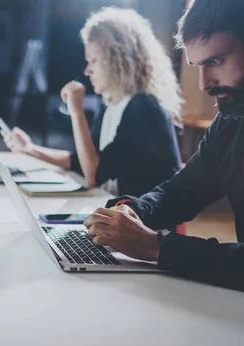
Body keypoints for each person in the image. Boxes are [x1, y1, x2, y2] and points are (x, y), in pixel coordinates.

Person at [84, 0, 244, 290]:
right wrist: (132, 210)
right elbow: (181, 192)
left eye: (216, 61)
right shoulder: (230, 124)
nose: (203, 84)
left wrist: (155, 247)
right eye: (197, 66)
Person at [1, 8, 182, 198]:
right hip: (113, 211)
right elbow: (83, 161)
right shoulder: (111, 104)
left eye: (93, 61)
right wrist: (30, 149)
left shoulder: (143, 108)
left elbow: (93, 175)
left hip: (141, 223)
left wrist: (77, 111)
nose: (87, 71)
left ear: (117, 59)